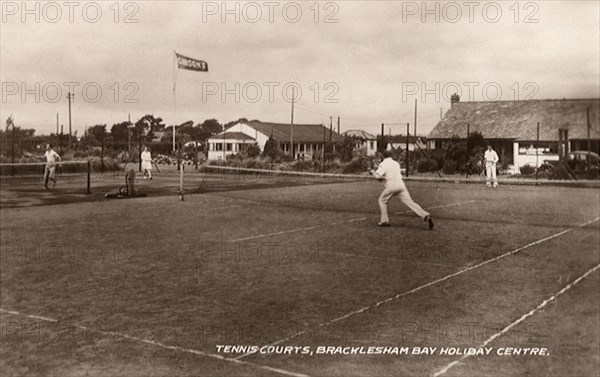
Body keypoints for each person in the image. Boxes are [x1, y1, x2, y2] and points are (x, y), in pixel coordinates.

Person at [370, 150, 434, 229]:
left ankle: (384, 221)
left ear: (383, 156)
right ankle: (425, 215)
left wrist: (373, 172)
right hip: (401, 185)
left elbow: (378, 177)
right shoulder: (396, 163)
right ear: (391, 156)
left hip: (391, 186)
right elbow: (382, 178)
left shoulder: (383, 164)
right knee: (410, 202)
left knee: (382, 200)